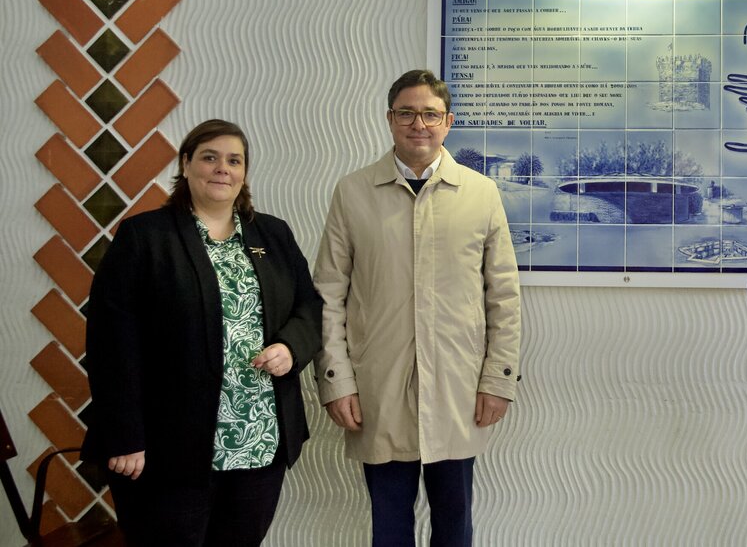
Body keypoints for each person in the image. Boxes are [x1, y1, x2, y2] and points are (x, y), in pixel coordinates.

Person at [82, 119, 323, 546]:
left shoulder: (272, 234)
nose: (222, 169)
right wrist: (125, 436)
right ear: (186, 164)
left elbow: (309, 307)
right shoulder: (145, 237)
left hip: (258, 441)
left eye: (234, 160)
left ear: (244, 172)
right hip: (167, 447)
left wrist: (290, 347)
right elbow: (111, 345)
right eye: (210, 157)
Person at [315, 69, 521, 546]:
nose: (418, 124)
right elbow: (328, 294)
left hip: (458, 387)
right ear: (390, 119)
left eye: (430, 114)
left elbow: (504, 295)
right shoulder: (353, 192)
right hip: (379, 389)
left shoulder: (480, 193)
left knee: (454, 525)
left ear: (448, 121)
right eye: (406, 113)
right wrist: (336, 381)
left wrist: (498, 379)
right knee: (389, 527)